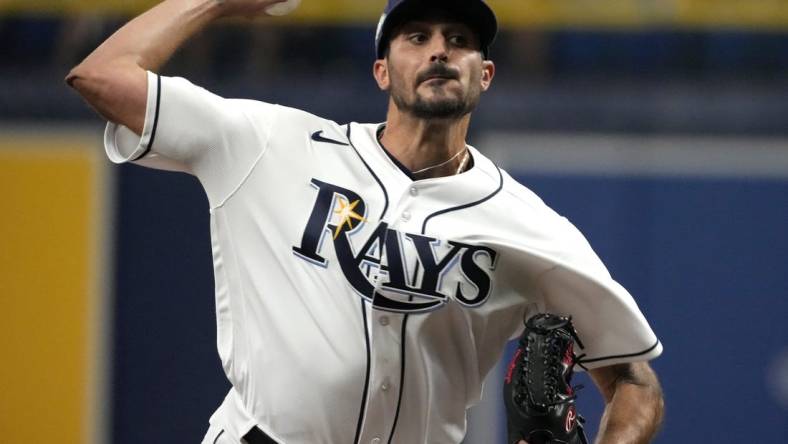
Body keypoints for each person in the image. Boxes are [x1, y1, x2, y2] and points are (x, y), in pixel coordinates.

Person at [67, 0, 665, 443]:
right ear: (382, 70)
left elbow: (635, 385)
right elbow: (101, 75)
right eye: (416, 36)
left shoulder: (530, 227)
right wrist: (215, 2)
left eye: (459, 39)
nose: (439, 50)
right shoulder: (271, 144)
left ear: (484, 75)